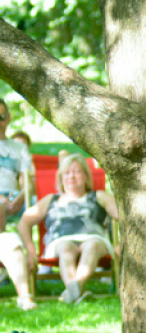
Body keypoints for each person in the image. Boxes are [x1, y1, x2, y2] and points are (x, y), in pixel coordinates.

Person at [16, 153, 118, 305]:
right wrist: (31, 251)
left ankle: (72, 290)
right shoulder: (51, 200)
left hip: (94, 239)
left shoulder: (99, 196)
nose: (71, 176)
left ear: (86, 176)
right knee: (65, 248)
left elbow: (124, 216)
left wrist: (122, 244)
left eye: (77, 172)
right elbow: (23, 223)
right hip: (61, 241)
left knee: (92, 245)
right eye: (67, 173)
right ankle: (76, 290)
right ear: (61, 178)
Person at [0, 99, 37, 310]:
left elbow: (26, 178)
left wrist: (21, 197)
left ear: (9, 118)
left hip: (15, 197)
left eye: (2, 117)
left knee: (38, 207)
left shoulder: (18, 148)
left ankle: (34, 255)